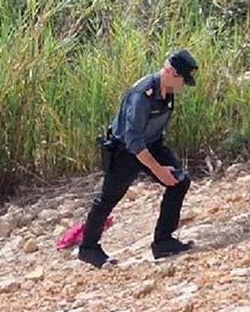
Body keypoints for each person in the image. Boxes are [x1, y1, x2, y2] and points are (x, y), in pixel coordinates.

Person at [78, 49, 199, 268]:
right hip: (126, 151)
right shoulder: (142, 95)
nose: (185, 86)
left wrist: (163, 164)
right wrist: (159, 169)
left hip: (152, 145)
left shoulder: (168, 90)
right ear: (171, 72)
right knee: (107, 199)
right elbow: (133, 141)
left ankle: (163, 242)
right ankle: (88, 248)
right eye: (184, 79)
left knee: (179, 181)